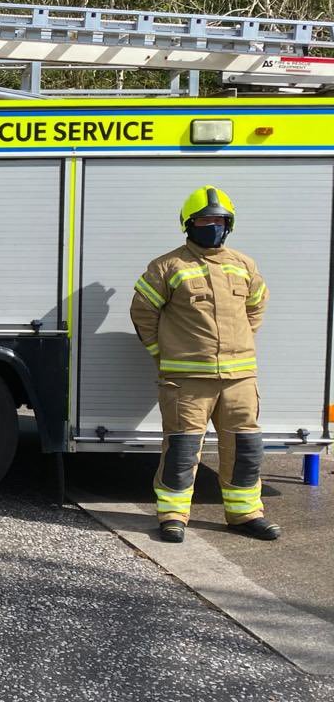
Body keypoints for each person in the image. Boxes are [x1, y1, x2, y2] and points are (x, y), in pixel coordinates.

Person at [130, 185, 279, 543]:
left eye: (218, 220)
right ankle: (172, 516)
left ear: (229, 225)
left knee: (244, 448)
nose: (211, 225)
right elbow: (142, 312)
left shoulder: (244, 266)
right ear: (188, 224)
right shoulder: (167, 266)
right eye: (203, 220)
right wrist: (161, 353)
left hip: (239, 378)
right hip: (187, 380)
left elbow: (256, 308)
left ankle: (245, 514)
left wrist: (237, 344)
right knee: (182, 449)